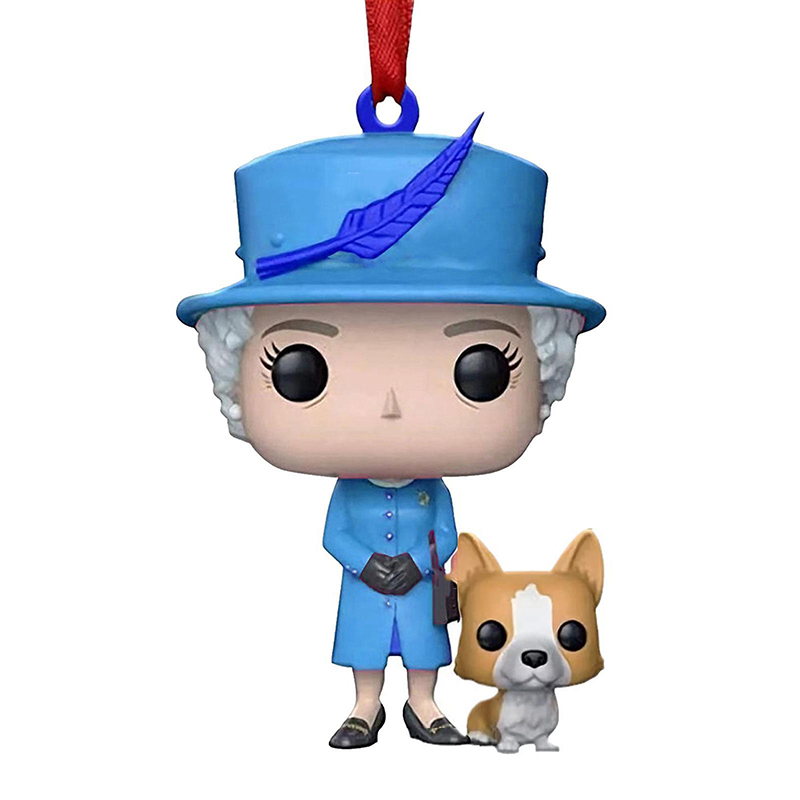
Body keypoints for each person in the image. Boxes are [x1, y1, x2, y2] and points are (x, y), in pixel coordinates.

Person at [177, 121, 604, 748]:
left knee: (425, 651)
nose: (390, 407)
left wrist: (422, 563)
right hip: (368, 583)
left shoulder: (433, 489)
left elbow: (447, 532)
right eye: (301, 370)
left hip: (419, 581)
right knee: (366, 650)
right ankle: (365, 706)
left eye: (479, 370)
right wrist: (367, 563)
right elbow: (334, 534)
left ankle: (424, 705)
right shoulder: (351, 491)